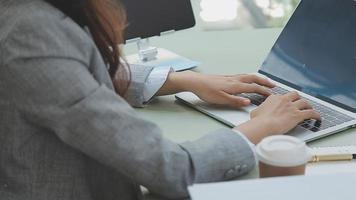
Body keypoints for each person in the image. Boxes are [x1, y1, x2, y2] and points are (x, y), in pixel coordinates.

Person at [0, 0, 321, 199]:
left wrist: (180, 80)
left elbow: (67, 74)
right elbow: (174, 171)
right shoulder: (29, 35)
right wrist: (258, 130)